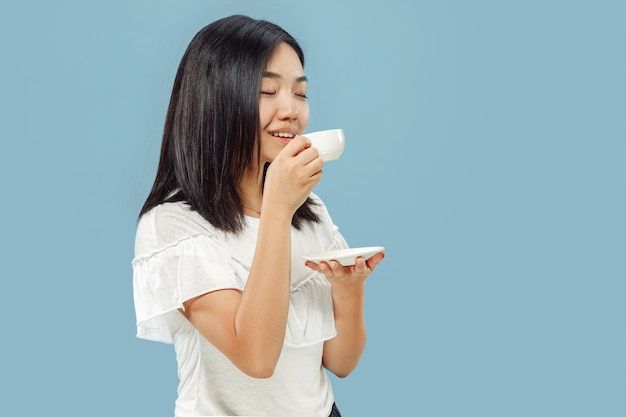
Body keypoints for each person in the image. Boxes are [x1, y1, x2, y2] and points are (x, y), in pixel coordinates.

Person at [132, 14, 384, 417]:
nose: (292, 111)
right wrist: (277, 209)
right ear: (215, 98)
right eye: (268, 90)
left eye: (300, 94)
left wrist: (349, 291)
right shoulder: (173, 225)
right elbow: (256, 357)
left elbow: (340, 362)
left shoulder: (310, 210)